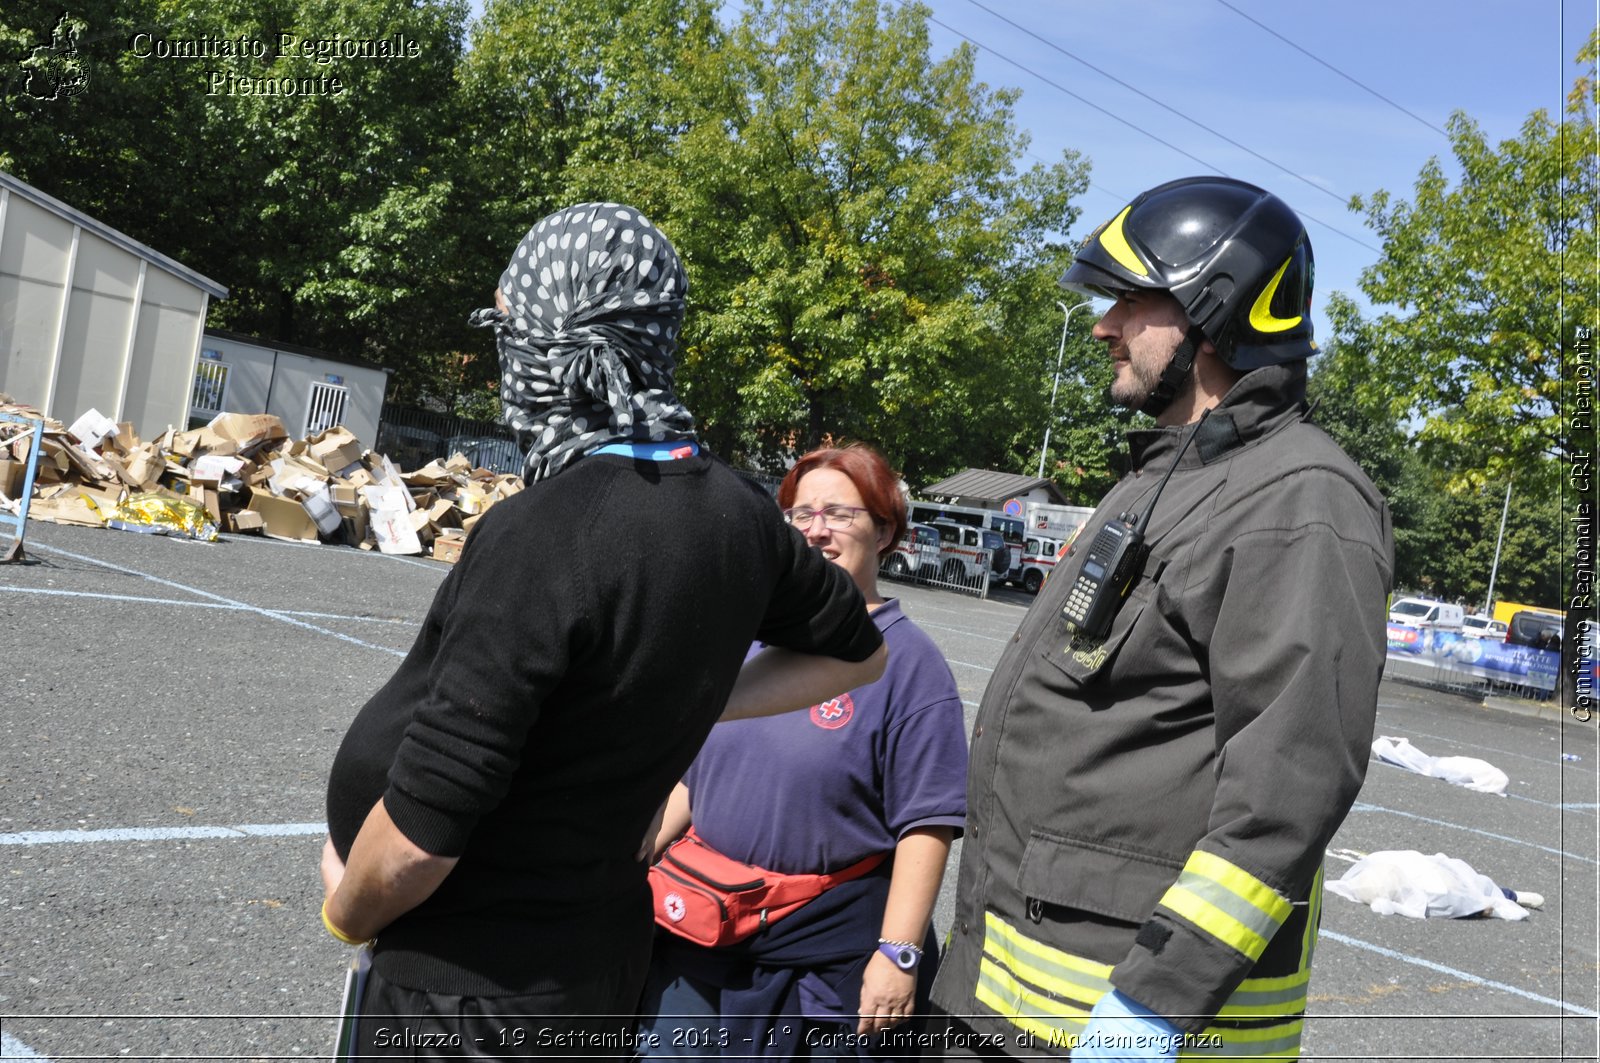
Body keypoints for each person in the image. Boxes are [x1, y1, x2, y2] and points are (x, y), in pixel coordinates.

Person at [319, 203, 888, 1058]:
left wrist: (345, 912)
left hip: (470, 996)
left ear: (556, 344)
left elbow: (424, 830)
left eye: (511, 329)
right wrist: (680, 703)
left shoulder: (544, 530)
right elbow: (859, 650)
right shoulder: (734, 512)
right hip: (594, 966)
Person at [928, 176, 1395, 1061]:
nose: (1103, 324)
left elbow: (1287, 788)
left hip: (1117, 1022)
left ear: (1215, 313)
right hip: (1013, 1000)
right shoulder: (1164, 477)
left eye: (1131, 298)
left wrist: (1153, 1006)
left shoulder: (1301, 499)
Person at [637, 443, 969, 1058]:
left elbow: (928, 825)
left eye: (840, 514)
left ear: (886, 530)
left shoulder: (909, 664)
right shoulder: (748, 641)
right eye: (801, 514)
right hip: (700, 934)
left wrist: (898, 955)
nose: (817, 530)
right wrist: (628, 858)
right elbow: (696, 780)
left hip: (821, 966)